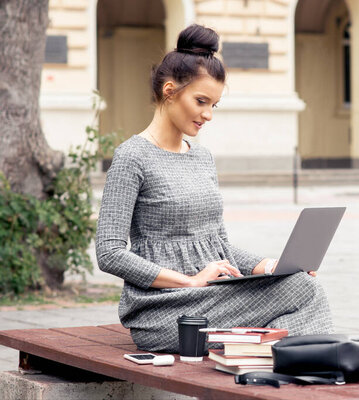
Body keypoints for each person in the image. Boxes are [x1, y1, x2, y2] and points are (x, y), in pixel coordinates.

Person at [95, 24, 333, 353]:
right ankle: (306, 367)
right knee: (303, 291)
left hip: (215, 294)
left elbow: (219, 246)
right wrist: (190, 280)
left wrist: (267, 266)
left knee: (299, 287)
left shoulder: (203, 158)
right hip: (163, 311)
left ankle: (282, 369)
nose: (208, 114)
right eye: (201, 101)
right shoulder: (132, 157)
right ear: (169, 91)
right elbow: (109, 253)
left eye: (214, 105)